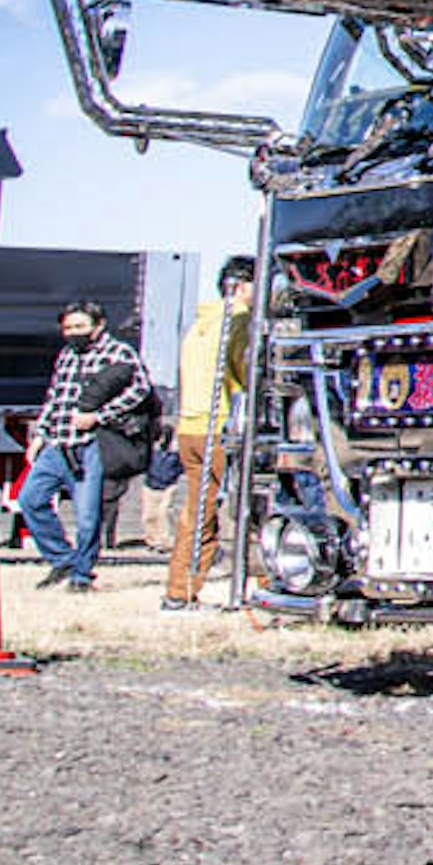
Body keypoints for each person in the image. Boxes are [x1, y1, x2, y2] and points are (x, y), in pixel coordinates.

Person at [16, 300, 159, 591]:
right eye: (68, 327)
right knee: (30, 498)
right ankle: (61, 558)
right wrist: (41, 435)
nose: (73, 333)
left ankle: (82, 574)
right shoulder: (67, 355)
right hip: (58, 443)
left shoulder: (118, 353)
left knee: (87, 516)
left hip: (92, 444)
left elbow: (141, 390)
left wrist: (99, 416)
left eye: (80, 326)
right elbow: (55, 396)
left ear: (98, 325)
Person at [160, 258, 255, 609]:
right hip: (220, 428)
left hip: (190, 427)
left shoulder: (200, 325)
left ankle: (180, 586)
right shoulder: (240, 321)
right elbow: (248, 374)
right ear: (245, 286)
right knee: (238, 509)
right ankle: (185, 588)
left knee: (199, 509)